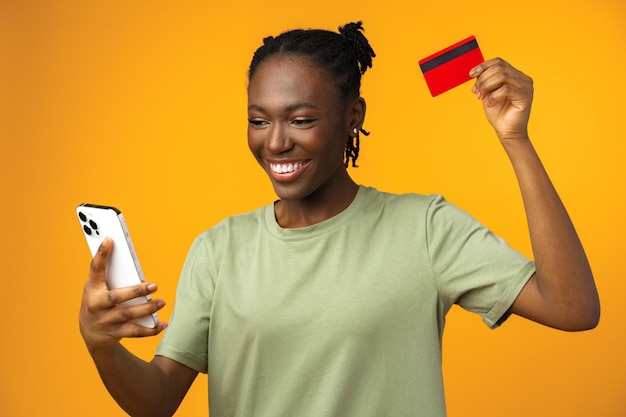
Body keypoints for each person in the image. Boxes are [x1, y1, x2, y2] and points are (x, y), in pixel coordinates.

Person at [79, 21, 600, 417]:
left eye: (301, 120)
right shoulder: (219, 249)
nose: (276, 142)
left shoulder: (425, 228)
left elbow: (573, 307)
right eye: (258, 120)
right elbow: (156, 401)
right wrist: (101, 346)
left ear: (354, 117)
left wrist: (516, 139)